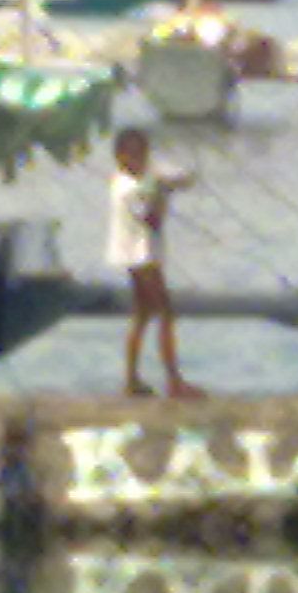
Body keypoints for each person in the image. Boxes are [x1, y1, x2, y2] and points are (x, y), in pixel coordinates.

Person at [109, 127, 201, 398]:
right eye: (133, 154)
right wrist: (163, 194)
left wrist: (172, 185)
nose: (139, 160)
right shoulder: (128, 187)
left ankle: (131, 379)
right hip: (141, 257)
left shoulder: (134, 182)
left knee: (142, 315)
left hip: (138, 254)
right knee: (165, 314)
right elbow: (152, 220)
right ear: (120, 156)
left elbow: (166, 182)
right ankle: (173, 381)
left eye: (142, 154)